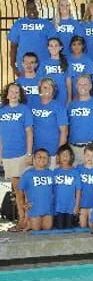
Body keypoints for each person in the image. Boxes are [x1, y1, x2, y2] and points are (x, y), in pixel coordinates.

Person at [0, 82, 33, 231]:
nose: (14, 94)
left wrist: (29, 153)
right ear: (7, 95)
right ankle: (21, 220)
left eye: (17, 92)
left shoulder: (24, 110)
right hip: (8, 155)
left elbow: (29, 132)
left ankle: (28, 220)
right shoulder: (2, 111)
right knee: (17, 191)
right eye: (11, 91)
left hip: (22, 154)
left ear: (20, 95)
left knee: (27, 190)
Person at [8, 0, 56, 76]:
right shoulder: (19, 24)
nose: (31, 11)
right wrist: (13, 65)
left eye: (34, 8)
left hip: (44, 67)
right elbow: (13, 46)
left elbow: (54, 47)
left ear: (39, 7)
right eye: (28, 8)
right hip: (24, 68)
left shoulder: (47, 24)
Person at [31, 78, 68, 167]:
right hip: (36, 151)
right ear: (40, 89)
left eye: (50, 88)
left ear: (54, 90)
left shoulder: (59, 107)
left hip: (53, 152)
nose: (47, 90)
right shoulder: (32, 104)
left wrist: (59, 153)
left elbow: (64, 131)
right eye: (45, 87)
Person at [17, 148, 54, 231]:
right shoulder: (28, 174)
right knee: (36, 229)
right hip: (34, 208)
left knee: (47, 228)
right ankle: (29, 223)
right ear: (34, 158)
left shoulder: (51, 173)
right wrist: (23, 203)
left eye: (45, 157)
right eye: (39, 157)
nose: (42, 159)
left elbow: (55, 190)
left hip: (48, 208)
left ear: (48, 160)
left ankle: (29, 224)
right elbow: (20, 189)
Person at [53, 144, 81, 229]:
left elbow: (78, 190)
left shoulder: (75, 172)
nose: (65, 157)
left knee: (69, 227)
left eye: (67, 154)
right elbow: (51, 191)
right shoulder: (55, 172)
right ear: (58, 157)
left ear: (71, 157)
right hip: (58, 206)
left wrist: (77, 206)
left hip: (70, 207)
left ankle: (76, 220)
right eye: (62, 154)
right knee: (60, 227)